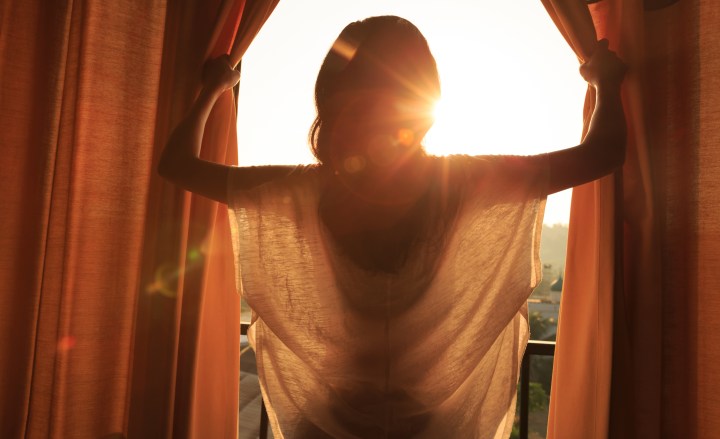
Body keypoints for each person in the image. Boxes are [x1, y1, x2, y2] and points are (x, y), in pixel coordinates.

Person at [158, 15, 626, 439]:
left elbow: (177, 166)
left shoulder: (298, 189)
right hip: (433, 427)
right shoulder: (462, 182)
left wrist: (212, 90)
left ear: (329, 101)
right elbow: (601, 153)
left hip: (325, 426)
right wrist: (606, 82)